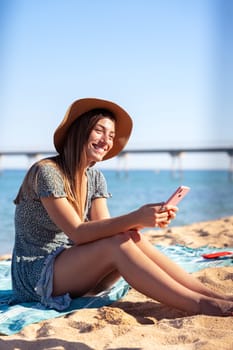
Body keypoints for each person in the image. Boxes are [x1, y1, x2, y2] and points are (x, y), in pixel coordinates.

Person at [11, 97, 233, 316]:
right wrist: (137, 216)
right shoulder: (47, 171)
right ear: (79, 130)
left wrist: (145, 219)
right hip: (37, 276)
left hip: (76, 271)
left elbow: (102, 228)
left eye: (111, 136)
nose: (106, 141)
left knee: (131, 237)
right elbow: (78, 233)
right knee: (119, 242)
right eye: (99, 131)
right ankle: (202, 305)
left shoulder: (95, 177)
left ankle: (212, 296)